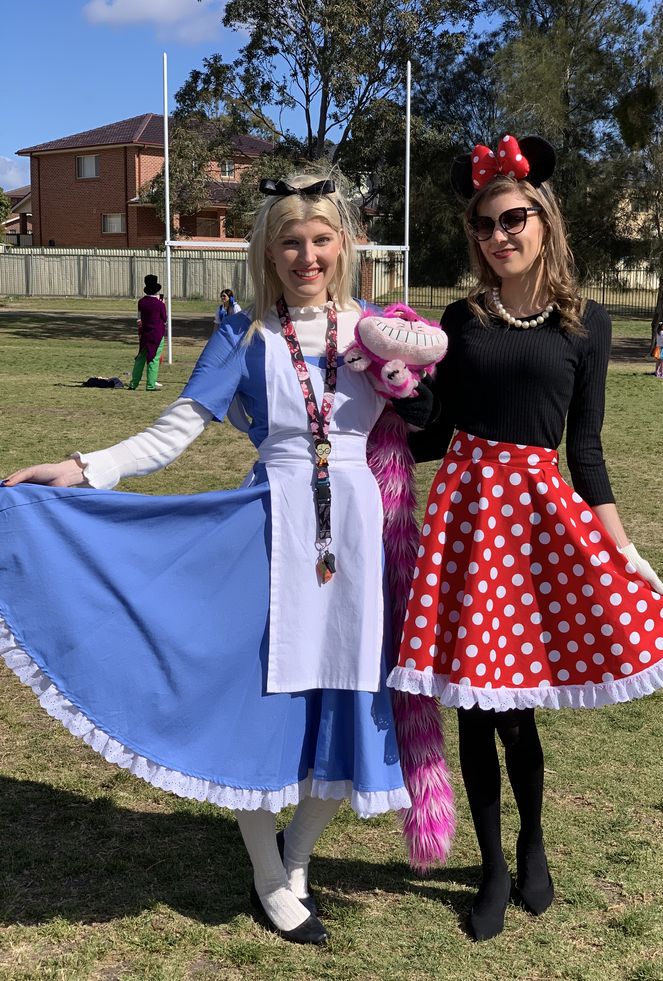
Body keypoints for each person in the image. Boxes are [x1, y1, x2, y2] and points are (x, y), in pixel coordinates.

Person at [0, 174, 428, 945]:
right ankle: (269, 873)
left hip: (360, 537)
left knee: (355, 702)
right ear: (269, 249)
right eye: (291, 242)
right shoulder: (246, 336)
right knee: (253, 714)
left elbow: (427, 416)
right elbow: (176, 430)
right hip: (268, 535)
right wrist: (84, 465)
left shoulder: (377, 333)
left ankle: (297, 851)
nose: (307, 255)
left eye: (321, 240)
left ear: (344, 245)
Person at [386, 135, 663, 941]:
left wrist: (622, 547)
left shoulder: (587, 325)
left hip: (533, 529)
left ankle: (533, 841)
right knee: (470, 705)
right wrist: (383, 408)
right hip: (467, 522)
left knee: (517, 712)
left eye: (514, 219)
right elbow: (437, 429)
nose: (500, 234)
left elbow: (586, 448)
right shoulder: (459, 321)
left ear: (544, 220)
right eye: (486, 224)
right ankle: (493, 864)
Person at [130, 274, 167, 391]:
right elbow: (164, 318)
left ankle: (133, 383)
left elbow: (140, 317)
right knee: (153, 359)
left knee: (140, 358)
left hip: (145, 334)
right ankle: (150, 385)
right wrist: (162, 303)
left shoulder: (141, 302)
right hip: (157, 334)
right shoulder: (160, 304)